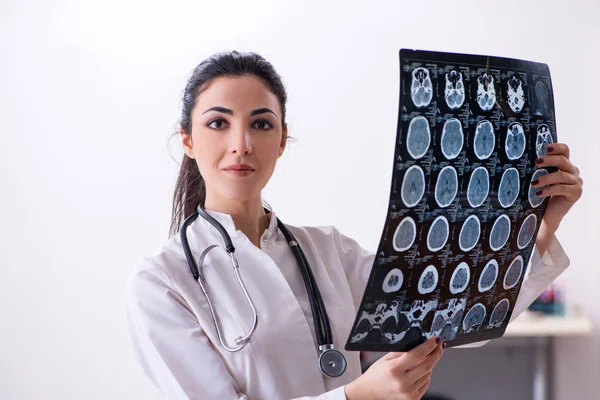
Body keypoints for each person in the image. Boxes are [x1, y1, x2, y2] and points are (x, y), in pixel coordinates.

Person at [124, 51, 583, 400]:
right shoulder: (161, 283)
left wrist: (541, 227)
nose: (241, 144)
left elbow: (456, 317)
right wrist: (356, 395)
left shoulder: (329, 251)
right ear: (187, 140)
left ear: (282, 141)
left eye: (261, 124)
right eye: (218, 123)